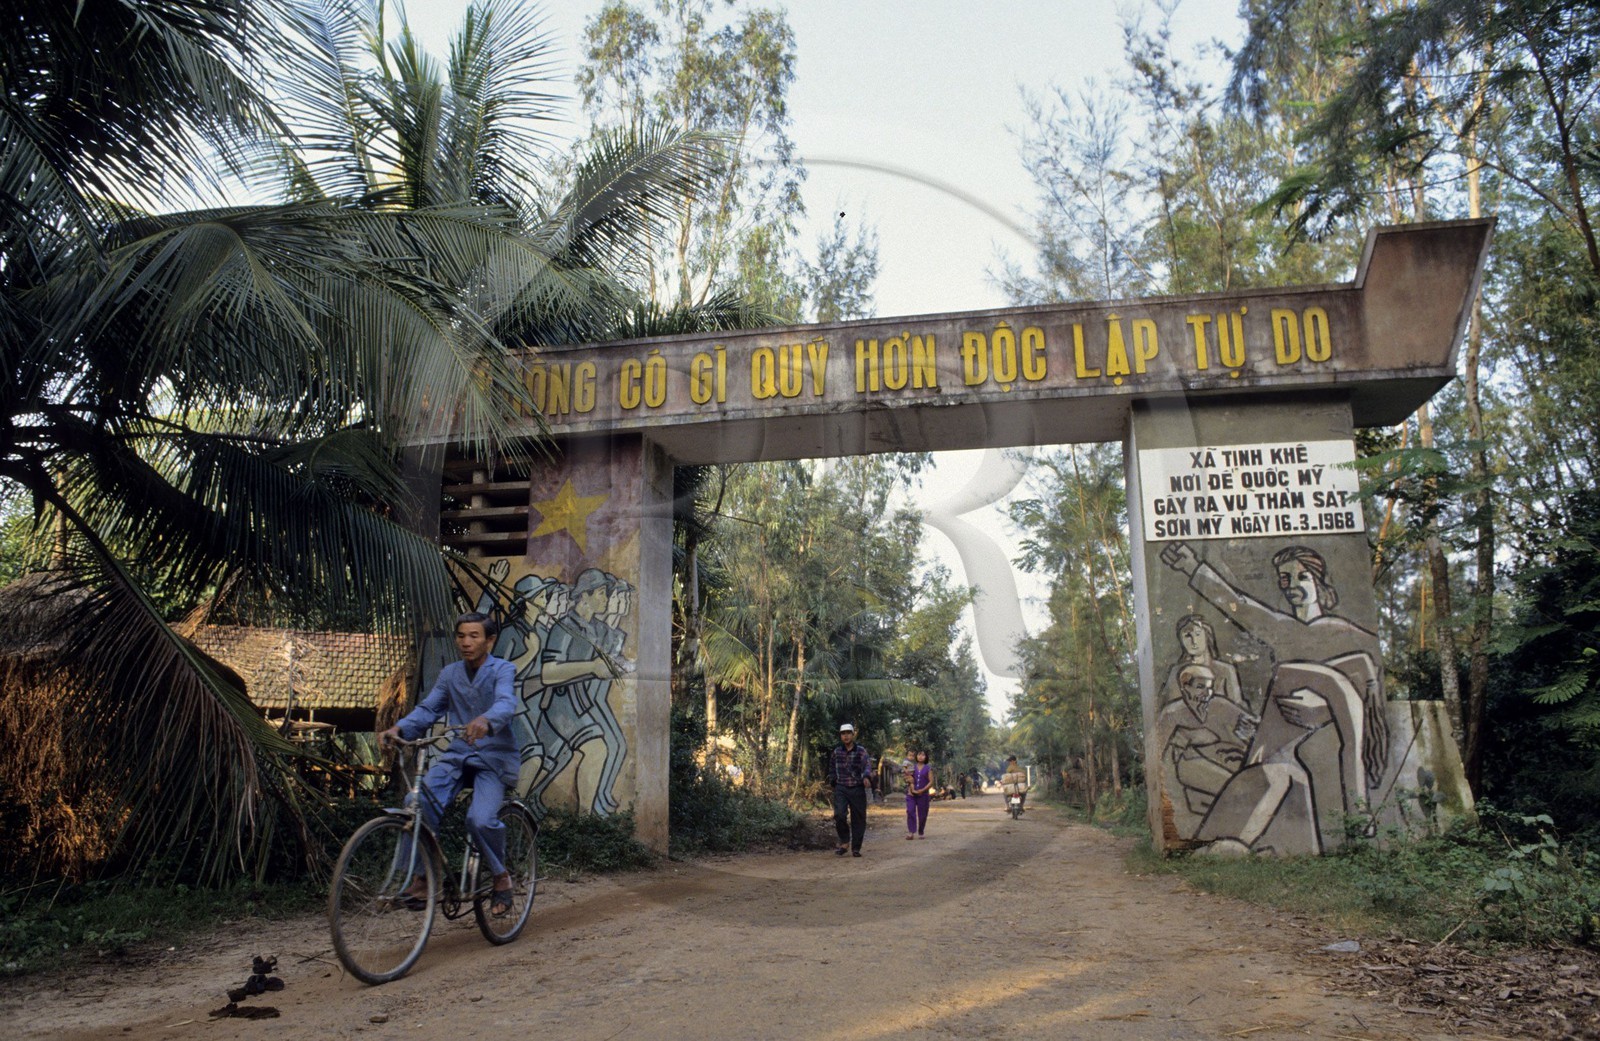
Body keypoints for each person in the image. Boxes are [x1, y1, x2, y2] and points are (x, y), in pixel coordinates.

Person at [379, 612, 519, 915]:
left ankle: (501, 877)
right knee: (415, 802)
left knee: (479, 820)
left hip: (494, 759)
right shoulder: (450, 674)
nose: (466, 642)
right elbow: (429, 709)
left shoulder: (503, 670)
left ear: (490, 640)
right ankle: (423, 878)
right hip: (458, 755)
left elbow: (506, 703)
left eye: (474, 636)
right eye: (461, 636)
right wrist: (399, 729)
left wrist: (486, 720)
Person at [827, 723, 874, 857]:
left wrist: (866, 777)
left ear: (853, 735)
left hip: (857, 787)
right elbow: (831, 767)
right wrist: (833, 780)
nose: (846, 736)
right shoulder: (837, 752)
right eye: (843, 733)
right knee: (839, 815)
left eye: (848, 733)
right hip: (841, 787)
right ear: (840, 736)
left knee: (858, 818)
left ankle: (856, 848)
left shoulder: (861, 751)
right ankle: (844, 842)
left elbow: (867, 766)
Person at [905, 750, 932, 839]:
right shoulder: (911, 767)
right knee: (910, 811)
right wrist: (908, 780)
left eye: (923, 755)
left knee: (922, 814)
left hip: (923, 795)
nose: (920, 756)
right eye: (919, 754)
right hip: (911, 794)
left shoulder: (928, 768)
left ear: (926, 757)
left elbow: (931, 782)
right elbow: (906, 777)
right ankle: (911, 832)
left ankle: (921, 831)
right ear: (916, 756)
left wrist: (923, 790)